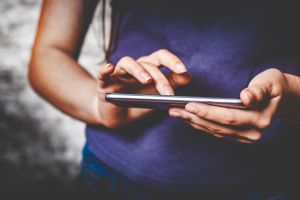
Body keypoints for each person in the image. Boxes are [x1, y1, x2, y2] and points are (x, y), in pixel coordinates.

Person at [29, 0, 300, 199]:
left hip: (267, 185)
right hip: (110, 180)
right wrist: (97, 107)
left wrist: (289, 97)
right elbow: (50, 53)